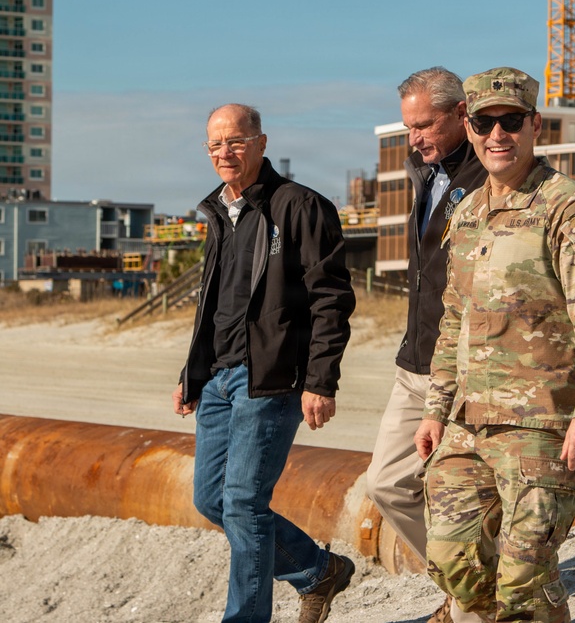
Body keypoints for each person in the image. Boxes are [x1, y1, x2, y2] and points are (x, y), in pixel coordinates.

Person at [415, 67, 575, 622]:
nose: (498, 135)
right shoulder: (465, 214)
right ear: (468, 127)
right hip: (468, 421)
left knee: (524, 577)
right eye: (485, 122)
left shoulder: (567, 209)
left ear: (535, 125)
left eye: (511, 121)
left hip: (540, 425)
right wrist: (436, 409)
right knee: (450, 558)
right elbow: (453, 321)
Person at [172, 104, 357, 623]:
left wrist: (321, 380)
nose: (224, 152)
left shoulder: (299, 206)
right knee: (212, 501)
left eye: (235, 141)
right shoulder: (218, 212)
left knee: (245, 504)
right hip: (218, 380)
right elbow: (214, 303)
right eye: (214, 145)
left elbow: (331, 299)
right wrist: (192, 374)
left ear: (260, 142)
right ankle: (317, 571)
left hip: (272, 378)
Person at [365, 67, 487, 623]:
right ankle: (465, 584)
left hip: (467, 367)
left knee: (469, 492)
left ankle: (472, 597)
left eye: (425, 124)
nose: (414, 136)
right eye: (409, 126)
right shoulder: (424, 173)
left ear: (461, 114)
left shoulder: (488, 173)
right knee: (388, 482)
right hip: (415, 361)